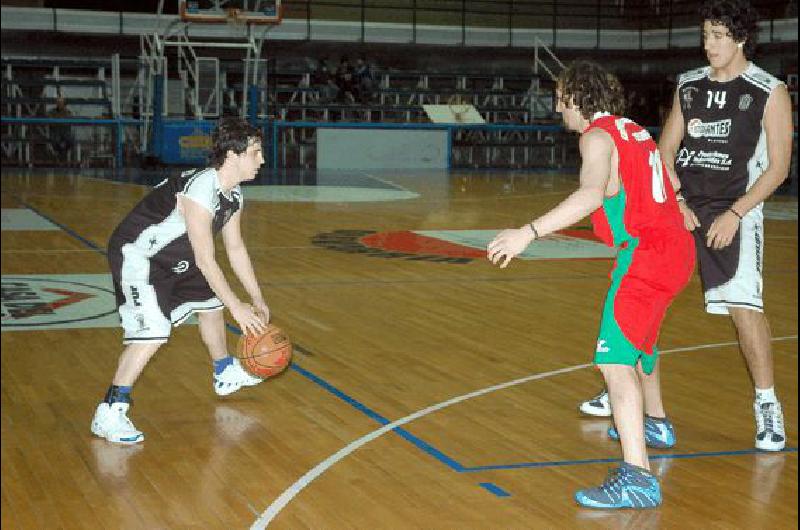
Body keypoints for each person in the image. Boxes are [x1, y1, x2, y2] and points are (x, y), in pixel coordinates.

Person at [578, 0, 793, 452]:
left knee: (744, 310)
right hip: (678, 207)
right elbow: (665, 151)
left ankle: (767, 404)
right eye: (705, 35)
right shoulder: (689, 86)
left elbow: (778, 169)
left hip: (735, 208)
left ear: (740, 38)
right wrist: (676, 200)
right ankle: (625, 382)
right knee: (642, 293)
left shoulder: (768, 90)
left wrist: (735, 214)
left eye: (718, 36)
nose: (709, 44)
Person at [488, 60, 695, 508]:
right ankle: (655, 422)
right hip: (676, 250)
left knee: (614, 363)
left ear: (576, 99)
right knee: (641, 343)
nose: (558, 108)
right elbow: (671, 178)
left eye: (561, 99)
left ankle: (637, 476)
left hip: (644, 256)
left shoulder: (596, 137)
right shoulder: (634, 131)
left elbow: (590, 193)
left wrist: (529, 232)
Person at [91, 117, 270, 444]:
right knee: (153, 332)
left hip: (177, 257)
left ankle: (224, 372)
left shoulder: (232, 195)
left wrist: (256, 299)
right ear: (233, 155)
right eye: (256, 152)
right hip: (139, 256)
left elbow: (235, 247)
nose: (262, 159)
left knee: (211, 304)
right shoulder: (202, 188)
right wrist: (238, 309)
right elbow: (206, 258)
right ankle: (110, 410)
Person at [48, 95, 74, 162]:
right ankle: (59, 154)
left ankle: (64, 154)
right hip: (55, 131)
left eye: (61, 103)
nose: (59, 104)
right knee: (55, 140)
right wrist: (60, 121)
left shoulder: (68, 112)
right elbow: (51, 122)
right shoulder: (51, 112)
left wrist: (58, 120)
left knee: (70, 140)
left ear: (64, 104)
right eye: (58, 103)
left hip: (65, 132)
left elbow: (69, 121)